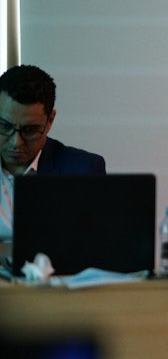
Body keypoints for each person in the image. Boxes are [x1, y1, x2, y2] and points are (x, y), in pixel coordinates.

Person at [0, 65, 106, 242]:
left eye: (29, 130)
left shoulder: (83, 171)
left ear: (50, 121)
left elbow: (95, 245)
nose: (16, 142)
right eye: (5, 126)